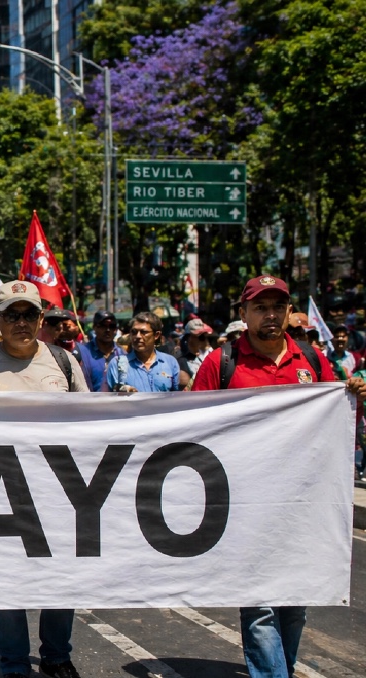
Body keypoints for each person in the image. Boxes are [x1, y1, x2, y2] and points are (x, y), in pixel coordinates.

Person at [191, 275, 365, 678]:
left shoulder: (312, 360)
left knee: (294, 603)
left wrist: (352, 394)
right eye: (260, 307)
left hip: (302, 504)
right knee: (260, 606)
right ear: (244, 313)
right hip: (246, 504)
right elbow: (191, 424)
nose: (270, 314)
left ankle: (280, 669)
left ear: (288, 312)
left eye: (277, 307)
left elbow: (334, 424)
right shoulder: (222, 362)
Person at [0, 280, 87, 678]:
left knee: (60, 578)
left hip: (58, 491)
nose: (21, 322)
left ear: (41, 318)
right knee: (7, 583)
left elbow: (91, 421)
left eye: (29, 314)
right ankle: (14, 664)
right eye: (12, 314)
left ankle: (57, 657)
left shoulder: (63, 362)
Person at [104, 312, 181, 392]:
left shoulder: (170, 362)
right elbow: (110, 395)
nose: (138, 336)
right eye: (134, 332)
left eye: (144, 332)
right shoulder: (117, 364)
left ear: (156, 335)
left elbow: (176, 396)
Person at [77, 311, 123, 392]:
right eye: (103, 326)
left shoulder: (122, 354)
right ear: (94, 328)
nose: (108, 330)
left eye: (112, 326)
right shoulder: (82, 352)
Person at [175, 318, 213, 387]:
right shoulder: (181, 358)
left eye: (203, 336)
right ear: (188, 337)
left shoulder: (211, 354)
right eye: (198, 336)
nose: (202, 339)